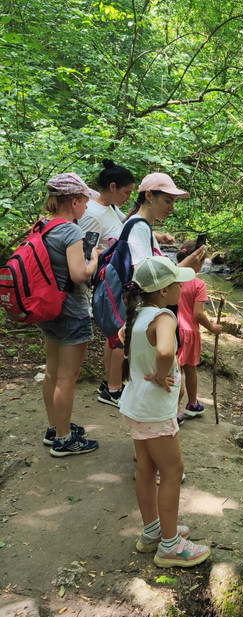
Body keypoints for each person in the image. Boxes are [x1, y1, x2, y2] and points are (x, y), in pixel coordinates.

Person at [119, 256, 211, 568]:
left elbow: (121, 338)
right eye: (176, 283)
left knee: (146, 468)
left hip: (135, 405)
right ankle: (170, 546)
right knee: (172, 471)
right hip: (155, 408)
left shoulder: (137, 315)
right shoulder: (164, 317)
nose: (181, 286)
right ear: (162, 291)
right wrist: (161, 373)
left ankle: (152, 530)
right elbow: (165, 351)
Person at [38, 173, 101, 456]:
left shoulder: (41, 225)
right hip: (71, 312)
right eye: (85, 202)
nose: (86, 208)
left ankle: (55, 428)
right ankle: (64, 440)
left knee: (52, 372)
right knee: (67, 377)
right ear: (74, 202)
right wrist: (94, 259)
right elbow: (79, 275)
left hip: (47, 308)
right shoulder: (71, 231)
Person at [78, 159, 136, 407]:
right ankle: (113, 390)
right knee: (119, 332)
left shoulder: (111, 208)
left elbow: (122, 230)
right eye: (126, 192)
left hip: (115, 278)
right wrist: (110, 251)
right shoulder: (91, 213)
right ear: (112, 187)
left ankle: (110, 382)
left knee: (115, 332)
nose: (127, 197)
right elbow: (83, 251)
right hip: (105, 281)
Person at [176, 240, 224, 418]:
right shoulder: (198, 284)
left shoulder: (171, 278)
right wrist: (212, 327)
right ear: (196, 261)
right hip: (189, 332)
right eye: (203, 262)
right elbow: (197, 314)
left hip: (172, 329)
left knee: (175, 369)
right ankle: (190, 404)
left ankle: (176, 409)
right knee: (189, 369)